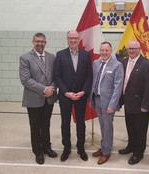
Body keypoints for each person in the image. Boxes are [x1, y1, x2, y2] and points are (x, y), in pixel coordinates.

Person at [19, 32, 58, 165]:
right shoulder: (25, 58)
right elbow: (25, 80)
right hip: (34, 98)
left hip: (49, 98)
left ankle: (47, 147)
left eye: (42, 41)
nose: (40, 44)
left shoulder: (51, 57)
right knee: (35, 126)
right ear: (33, 42)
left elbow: (55, 76)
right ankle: (38, 151)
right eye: (37, 41)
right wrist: (43, 89)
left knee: (46, 124)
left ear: (45, 43)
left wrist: (51, 88)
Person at [53, 29, 92, 162]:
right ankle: (66, 148)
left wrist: (83, 91)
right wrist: (66, 92)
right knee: (65, 123)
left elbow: (89, 76)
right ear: (67, 39)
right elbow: (57, 76)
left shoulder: (86, 55)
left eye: (75, 38)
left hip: (81, 96)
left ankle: (81, 148)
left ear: (79, 39)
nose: (73, 40)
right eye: (71, 38)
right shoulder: (60, 55)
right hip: (65, 96)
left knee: (81, 123)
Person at [118, 40, 149, 165]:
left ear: (139, 49)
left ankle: (139, 153)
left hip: (140, 105)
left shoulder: (147, 65)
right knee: (130, 127)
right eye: (129, 48)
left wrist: (145, 105)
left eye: (134, 48)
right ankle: (131, 146)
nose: (131, 51)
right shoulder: (123, 62)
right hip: (128, 103)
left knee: (140, 130)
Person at [90, 41, 124, 165]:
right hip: (97, 99)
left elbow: (118, 87)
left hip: (109, 102)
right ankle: (104, 146)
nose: (104, 52)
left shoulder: (117, 65)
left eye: (106, 50)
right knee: (103, 126)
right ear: (100, 51)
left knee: (108, 127)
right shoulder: (95, 63)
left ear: (111, 51)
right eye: (102, 50)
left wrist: (112, 105)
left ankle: (106, 152)